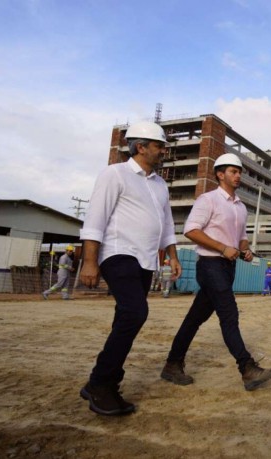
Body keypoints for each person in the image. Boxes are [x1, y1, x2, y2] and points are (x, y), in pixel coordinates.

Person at [77, 121, 182, 416]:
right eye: (159, 146)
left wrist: (172, 256)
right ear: (140, 147)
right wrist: (89, 261)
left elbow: (167, 225)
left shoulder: (160, 184)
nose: (163, 151)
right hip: (118, 252)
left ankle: (100, 381)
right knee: (136, 313)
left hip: (147, 259)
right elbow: (95, 219)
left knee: (127, 317)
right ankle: (101, 384)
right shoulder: (115, 174)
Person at [161, 153, 271, 391]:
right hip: (210, 264)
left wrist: (245, 250)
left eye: (239, 172)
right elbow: (191, 230)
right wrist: (223, 248)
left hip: (228, 267)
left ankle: (172, 365)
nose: (238, 176)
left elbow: (242, 239)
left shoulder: (241, 207)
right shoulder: (208, 200)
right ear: (220, 174)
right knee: (229, 314)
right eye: (233, 172)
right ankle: (247, 368)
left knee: (194, 319)